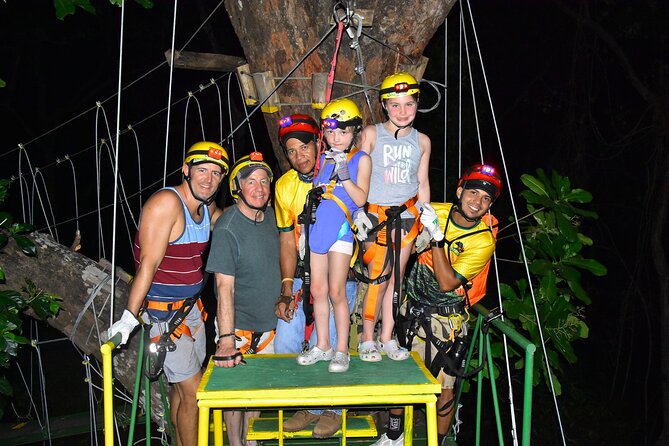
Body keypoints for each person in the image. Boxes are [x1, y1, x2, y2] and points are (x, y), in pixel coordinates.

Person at [370, 164, 502, 446]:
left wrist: (438, 239)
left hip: (445, 320)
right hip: (412, 307)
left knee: (444, 388)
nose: (477, 202)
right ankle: (394, 435)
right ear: (460, 191)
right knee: (399, 375)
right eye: (473, 192)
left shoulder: (483, 241)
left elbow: (446, 282)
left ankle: (437, 441)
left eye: (485, 199)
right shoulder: (435, 211)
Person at [107, 141, 229, 446]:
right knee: (195, 393)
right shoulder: (166, 204)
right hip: (164, 318)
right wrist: (128, 318)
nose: (208, 179)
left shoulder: (205, 204)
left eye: (216, 174)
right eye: (202, 170)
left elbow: (223, 221)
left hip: (191, 311)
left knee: (180, 389)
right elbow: (148, 264)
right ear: (185, 170)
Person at [273, 113, 357, 437]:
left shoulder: (338, 171)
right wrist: (285, 286)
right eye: (291, 151)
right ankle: (309, 404)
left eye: (304, 146)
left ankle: (333, 408)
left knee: (334, 344)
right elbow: (285, 238)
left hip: (339, 274)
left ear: (318, 143)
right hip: (302, 275)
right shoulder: (284, 187)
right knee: (286, 342)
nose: (299, 156)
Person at [205, 152, 280, 446]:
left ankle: (251, 442)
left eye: (264, 181)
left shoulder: (274, 218)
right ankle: (235, 443)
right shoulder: (227, 228)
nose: (259, 188)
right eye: (251, 182)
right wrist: (226, 339)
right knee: (234, 397)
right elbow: (224, 288)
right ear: (237, 187)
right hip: (239, 330)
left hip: (272, 328)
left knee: (258, 393)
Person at [356, 72, 432, 363]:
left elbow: (422, 182)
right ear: (385, 106)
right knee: (378, 278)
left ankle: (387, 336)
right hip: (377, 218)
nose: (403, 111)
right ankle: (366, 337)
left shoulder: (422, 141)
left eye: (409, 104)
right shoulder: (371, 134)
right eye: (396, 105)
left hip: (408, 216)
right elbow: (358, 173)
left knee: (396, 281)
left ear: (417, 105)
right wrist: (357, 214)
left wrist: (426, 220)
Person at [296, 98, 371, 374]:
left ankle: (342, 350)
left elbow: (361, 198)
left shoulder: (361, 159)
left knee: (337, 290)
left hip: (340, 229)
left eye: (343, 132)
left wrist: (344, 174)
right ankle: (323, 344)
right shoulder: (324, 160)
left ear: (354, 133)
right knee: (317, 291)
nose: (336, 138)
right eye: (330, 132)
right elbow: (318, 195)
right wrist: (305, 233)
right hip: (318, 228)